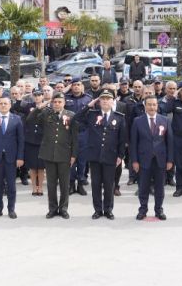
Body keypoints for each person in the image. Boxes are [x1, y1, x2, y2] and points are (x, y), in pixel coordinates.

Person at [26, 92, 78, 218]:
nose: (57, 104)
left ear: (64, 103)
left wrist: (73, 155)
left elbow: (75, 138)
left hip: (64, 154)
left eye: (59, 102)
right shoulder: (46, 114)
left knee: (65, 184)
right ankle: (52, 209)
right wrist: (40, 107)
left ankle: (63, 208)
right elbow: (30, 120)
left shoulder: (71, 116)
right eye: (55, 102)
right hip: (49, 154)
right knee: (51, 184)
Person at [80, 89, 127, 219]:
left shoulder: (119, 117)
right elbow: (77, 119)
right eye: (103, 99)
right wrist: (89, 105)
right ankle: (97, 210)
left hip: (111, 156)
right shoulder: (91, 115)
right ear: (99, 101)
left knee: (109, 184)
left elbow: (123, 139)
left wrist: (121, 156)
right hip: (94, 155)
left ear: (113, 101)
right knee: (95, 184)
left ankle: (108, 209)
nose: (105, 101)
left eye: (108, 99)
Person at [0, 95, 24, 219]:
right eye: (1, 103)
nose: (3, 105)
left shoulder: (17, 119)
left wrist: (20, 157)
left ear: (10, 105)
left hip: (11, 158)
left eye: (5, 103)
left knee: (11, 185)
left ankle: (11, 209)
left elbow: (21, 140)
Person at [22, 89, 47, 196]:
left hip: (42, 140)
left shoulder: (47, 108)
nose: (37, 97)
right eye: (35, 95)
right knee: (32, 166)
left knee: (41, 167)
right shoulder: (28, 106)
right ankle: (34, 188)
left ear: (43, 96)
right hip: (30, 139)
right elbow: (26, 120)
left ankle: (40, 187)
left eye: (39, 95)